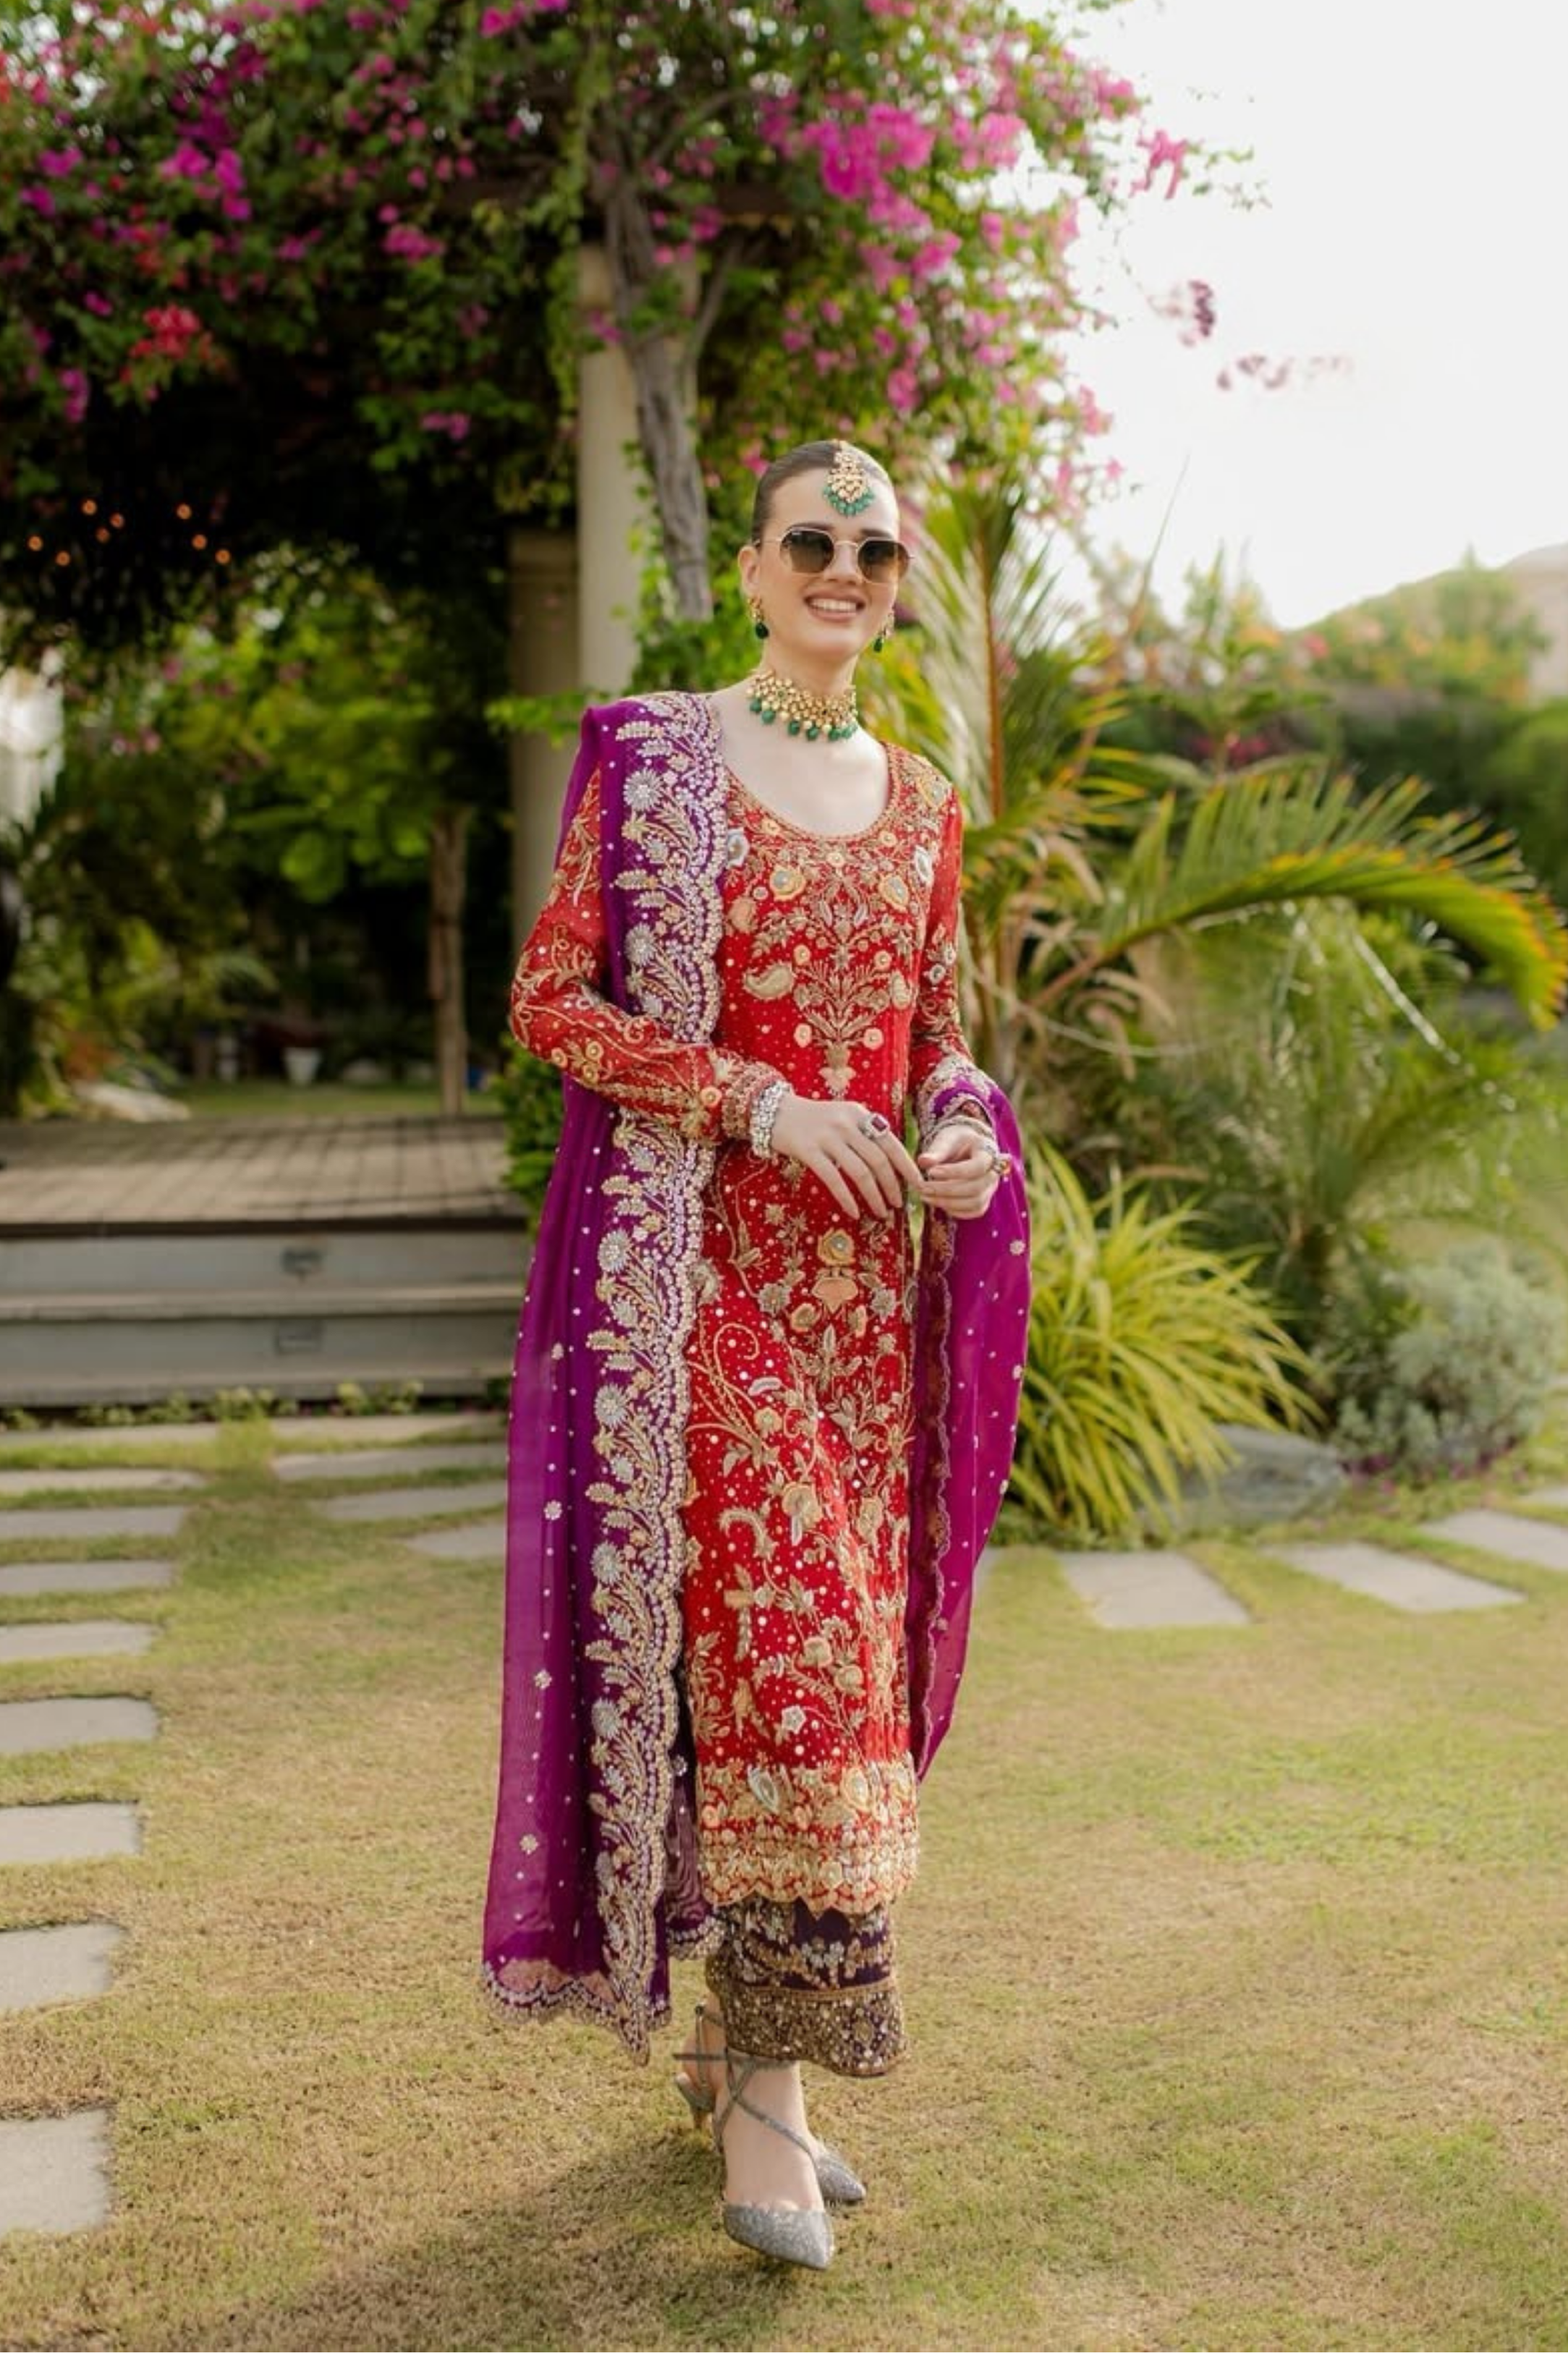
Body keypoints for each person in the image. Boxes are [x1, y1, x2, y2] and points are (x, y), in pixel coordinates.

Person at [483, 438, 1030, 2271]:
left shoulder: (926, 802)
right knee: (800, 1674)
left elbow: (940, 1035)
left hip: (862, 1321)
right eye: (814, 538)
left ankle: (735, 2054)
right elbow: (553, 999)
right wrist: (760, 1104)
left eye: (876, 549)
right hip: (694, 1294)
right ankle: (772, 2114)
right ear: (755, 567)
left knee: (798, 1690)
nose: (845, 567)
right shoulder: (655, 757)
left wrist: (958, 1131)